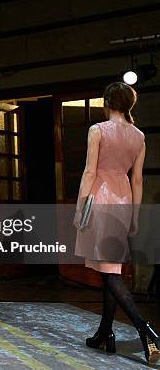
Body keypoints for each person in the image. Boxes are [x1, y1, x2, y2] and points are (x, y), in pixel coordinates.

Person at [74, 82, 160, 364]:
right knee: (108, 269)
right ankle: (105, 333)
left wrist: (79, 209)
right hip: (122, 203)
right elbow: (137, 180)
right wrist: (135, 215)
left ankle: (145, 329)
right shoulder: (139, 136)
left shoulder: (97, 130)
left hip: (100, 200)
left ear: (107, 102)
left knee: (110, 272)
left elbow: (89, 171)